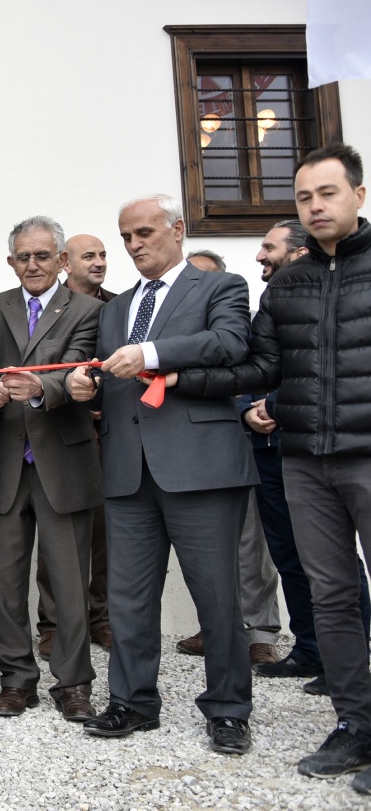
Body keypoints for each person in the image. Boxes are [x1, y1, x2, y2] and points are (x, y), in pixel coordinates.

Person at [171, 145, 371, 791]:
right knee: (331, 595)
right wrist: (178, 375)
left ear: (359, 196)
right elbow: (259, 367)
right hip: (306, 460)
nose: (315, 206)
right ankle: (356, 725)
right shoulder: (287, 282)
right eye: (305, 197)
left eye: (328, 193)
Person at [67, 193, 258, 756]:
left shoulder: (219, 287)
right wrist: (87, 385)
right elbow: (109, 378)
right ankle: (132, 702)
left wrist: (150, 354)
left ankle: (227, 710)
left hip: (201, 466)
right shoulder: (115, 307)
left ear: (177, 229)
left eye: (144, 233)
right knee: (128, 598)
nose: (134, 245)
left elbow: (229, 345)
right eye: (127, 237)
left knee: (217, 598)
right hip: (129, 471)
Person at [238, 220, 371, 689]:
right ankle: (312, 649)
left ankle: (353, 658)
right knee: (290, 556)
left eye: (269, 247)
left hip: (331, 450)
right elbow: (252, 369)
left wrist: (274, 406)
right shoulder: (274, 301)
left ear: (296, 254)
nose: (259, 256)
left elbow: (326, 372)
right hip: (274, 452)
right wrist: (245, 411)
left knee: (335, 563)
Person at [0, 216, 103, 722]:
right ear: (11, 262)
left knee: (70, 583)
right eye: (22, 257)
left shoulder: (89, 310)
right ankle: (15, 679)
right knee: (3, 582)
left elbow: (79, 367)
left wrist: (42, 388)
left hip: (63, 461)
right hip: (5, 463)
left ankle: (73, 682)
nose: (32, 265)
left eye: (42, 255)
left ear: (61, 261)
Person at [175, 246, 283, 666]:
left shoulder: (241, 324)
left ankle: (259, 631)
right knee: (205, 548)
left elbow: (261, 371)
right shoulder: (172, 328)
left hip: (244, 446)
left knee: (250, 547)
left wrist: (253, 410)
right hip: (188, 449)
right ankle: (214, 625)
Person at [38, 233, 115, 659]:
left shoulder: (118, 306)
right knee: (57, 544)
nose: (99, 262)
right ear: (67, 262)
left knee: (103, 537)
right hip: (57, 435)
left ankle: (100, 617)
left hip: (109, 437)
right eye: (90, 255)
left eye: (104, 254)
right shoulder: (44, 308)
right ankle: (52, 624)